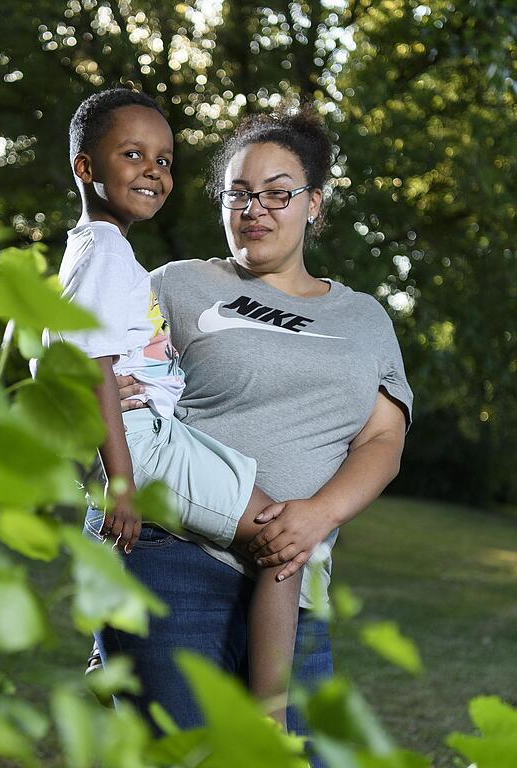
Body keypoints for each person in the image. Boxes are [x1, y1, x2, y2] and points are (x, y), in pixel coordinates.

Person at [82, 100, 413, 767]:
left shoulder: (364, 318)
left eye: (276, 193)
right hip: (172, 563)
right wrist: (84, 390)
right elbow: (96, 346)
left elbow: (383, 442)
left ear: (314, 203)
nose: (254, 209)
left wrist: (317, 516)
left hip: (295, 584)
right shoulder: (179, 284)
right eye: (238, 194)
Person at [59, 88, 316, 725]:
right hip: (143, 442)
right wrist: (120, 482)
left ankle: (109, 647)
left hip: (149, 435)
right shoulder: (106, 253)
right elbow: (88, 364)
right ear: (85, 168)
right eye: (133, 154)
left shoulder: (101, 251)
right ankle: (270, 723)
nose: (155, 170)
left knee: (280, 530)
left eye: (166, 160)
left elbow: (63, 349)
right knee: (285, 541)